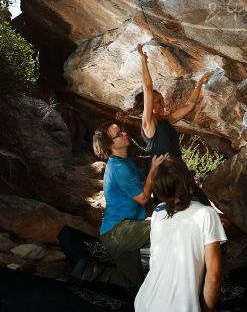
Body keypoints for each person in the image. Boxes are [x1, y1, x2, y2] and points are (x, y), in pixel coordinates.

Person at [134, 159, 227, 312]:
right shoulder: (206, 214)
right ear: (188, 184)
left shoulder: (158, 212)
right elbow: (213, 276)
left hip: (144, 303)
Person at [92, 122, 167, 289]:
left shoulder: (125, 162)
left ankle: (90, 273)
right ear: (110, 144)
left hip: (121, 230)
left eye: (122, 131)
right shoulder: (119, 167)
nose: (125, 134)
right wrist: (154, 169)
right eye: (118, 134)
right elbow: (142, 198)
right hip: (117, 231)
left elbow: (143, 182)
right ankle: (91, 272)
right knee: (164, 225)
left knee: (132, 284)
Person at [134, 42, 210, 162]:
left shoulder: (166, 120)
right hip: (165, 174)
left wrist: (199, 85)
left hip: (178, 169)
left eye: (162, 101)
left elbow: (189, 105)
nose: (163, 104)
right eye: (159, 101)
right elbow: (148, 89)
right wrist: (143, 60)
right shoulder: (148, 124)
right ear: (148, 104)